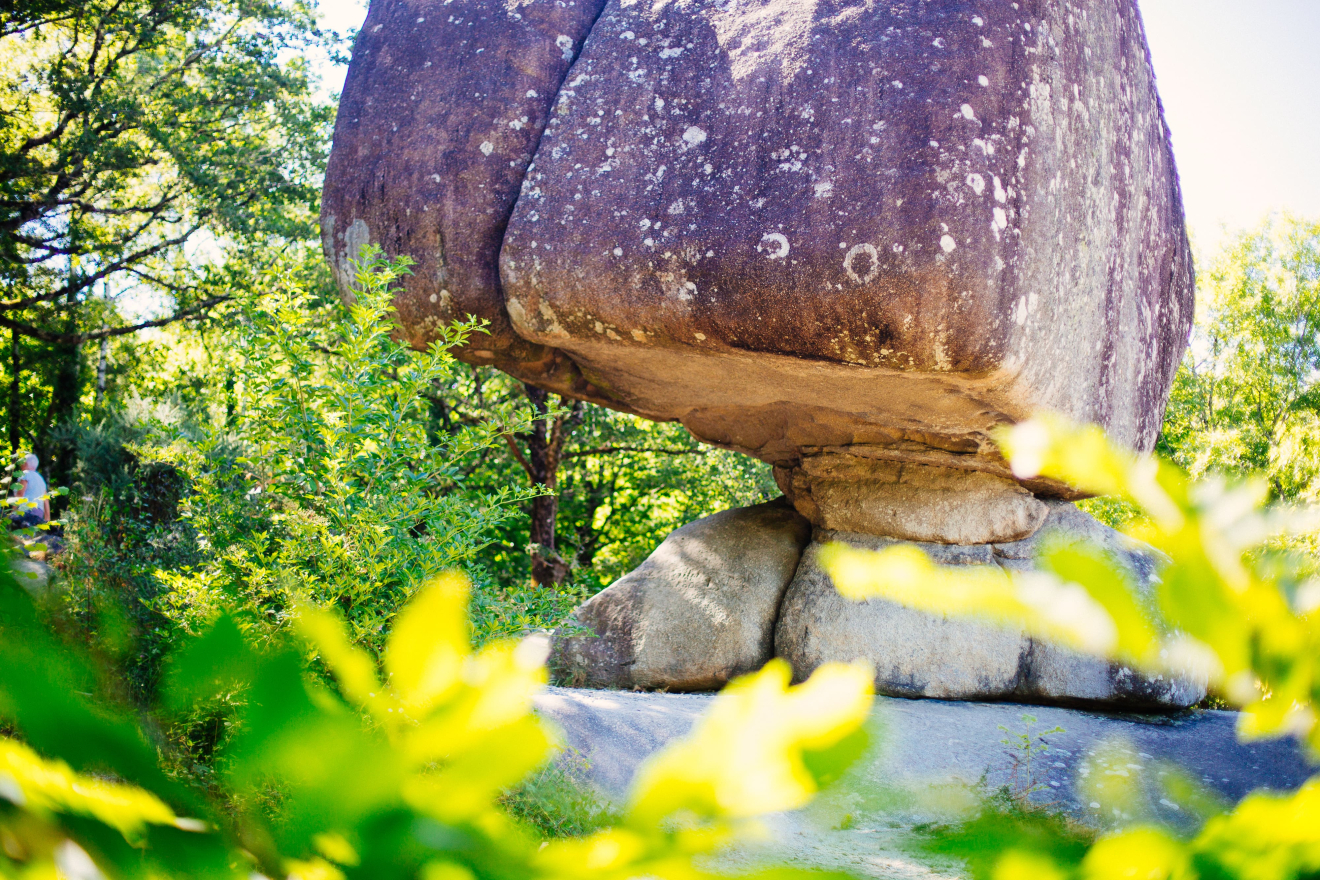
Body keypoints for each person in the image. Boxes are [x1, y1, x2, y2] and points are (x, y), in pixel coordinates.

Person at [11, 453, 49, 529]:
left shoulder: (25, 474)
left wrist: (12, 512)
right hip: (38, 514)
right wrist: (47, 519)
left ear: (25, 463)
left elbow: (20, 494)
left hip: (27, 511)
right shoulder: (41, 479)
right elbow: (46, 500)